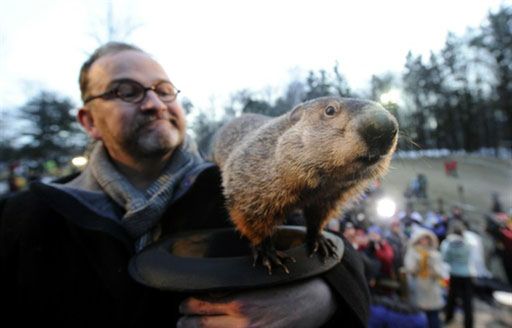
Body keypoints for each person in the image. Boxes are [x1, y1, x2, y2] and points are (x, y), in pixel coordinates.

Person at [0, 42, 369, 327]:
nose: (154, 103)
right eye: (126, 91)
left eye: (163, 90)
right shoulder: (27, 215)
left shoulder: (234, 186)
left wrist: (321, 299)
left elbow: (337, 254)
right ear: (89, 121)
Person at [404, 228, 448, 328]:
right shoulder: (412, 252)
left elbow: (440, 272)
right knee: (419, 320)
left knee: (433, 318)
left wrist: (431, 263)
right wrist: (418, 262)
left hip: (432, 289)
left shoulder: (435, 254)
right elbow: (409, 269)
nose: (424, 241)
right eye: (422, 239)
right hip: (418, 287)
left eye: (426, 239)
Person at [441, 223, 474, 328]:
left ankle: (448, 318)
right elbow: (469, 256)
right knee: (467, 300)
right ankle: (468, 324)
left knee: (451, 298)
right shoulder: (467, 243)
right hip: (466, 274)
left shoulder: (449, 244)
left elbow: (446, 259)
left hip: (454, 274)